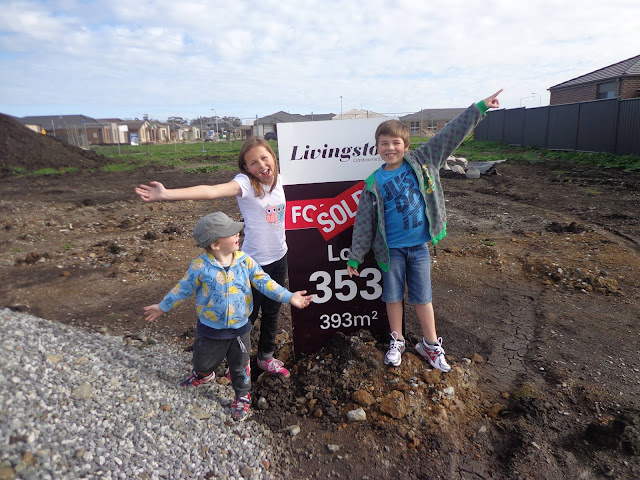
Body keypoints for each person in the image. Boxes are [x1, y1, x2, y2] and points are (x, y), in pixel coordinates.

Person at [346, 90, 503, 371]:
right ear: (377, 148)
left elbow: (450, 133)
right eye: (384, 143)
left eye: (396, 143)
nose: (390, 148)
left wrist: (479, 108)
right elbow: (363, 223)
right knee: (392, 297)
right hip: (391, 252)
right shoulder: (373, 182)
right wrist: (355, 257)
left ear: (406, 146)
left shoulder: (423, 160)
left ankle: (430, 344)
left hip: (419, 248)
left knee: (423, 298)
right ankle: (397, 340)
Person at [136, 137, 293, 378]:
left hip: (279, 257)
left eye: (264, 157)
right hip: (251, 263)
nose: (261, 165)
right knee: (246, 315)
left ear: (273, 156)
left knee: (272, 311)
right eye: (253, 162)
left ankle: (265, 357)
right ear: (246, 168)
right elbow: (211, 191)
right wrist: (166, 194)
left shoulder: (281, 180)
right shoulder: (246, 184)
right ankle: (238, 362)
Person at [143, 212, 312, 421]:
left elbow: (265, 282)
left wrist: (289, 296)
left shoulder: (245, 262)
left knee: (240, 367)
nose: (238, 234)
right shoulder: (200, 267)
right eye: (231, 233)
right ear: (215, 244)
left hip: (240, 329)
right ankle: (203, 375)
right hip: (209, 328)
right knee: (202, 361)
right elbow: (182, 289)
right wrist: (162, 307)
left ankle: (242, 396)